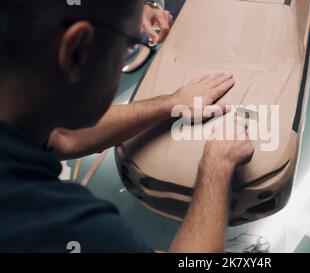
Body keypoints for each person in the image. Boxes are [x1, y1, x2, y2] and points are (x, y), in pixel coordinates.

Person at [0, 0, 254, 253]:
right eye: (129, 45)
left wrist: (172, 103)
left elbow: (63, 139)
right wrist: (216, 167)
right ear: (76, 51)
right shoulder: (53, 223)